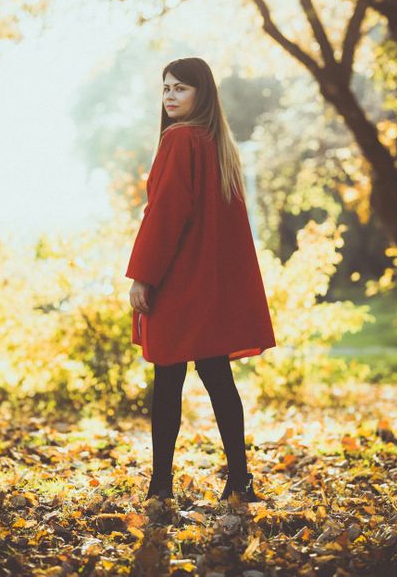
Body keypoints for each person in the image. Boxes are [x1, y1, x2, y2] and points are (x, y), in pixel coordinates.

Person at [125, 57, 276, 503]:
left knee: (168, 384)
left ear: (201, 94)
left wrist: (142, 276)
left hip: (179, 283)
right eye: (166, 88)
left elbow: (166, 214)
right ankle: (240, 481)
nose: (170, 95)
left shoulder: (180, 140)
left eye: (181, 88)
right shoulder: (217, 144)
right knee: (217, 378)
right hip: (209, 287)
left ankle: (160, 486)